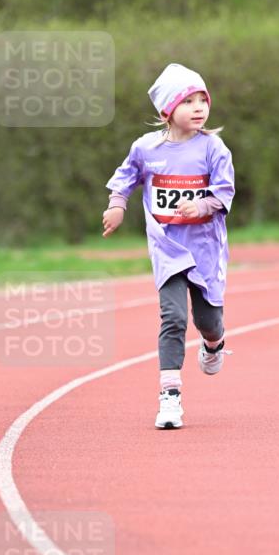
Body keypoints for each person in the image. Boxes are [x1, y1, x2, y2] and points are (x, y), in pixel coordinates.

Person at [102, 63, 235, 429]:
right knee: (173, 319)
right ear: (167, 110)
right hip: (167, 249)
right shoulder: (146, 149)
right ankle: (170, 398)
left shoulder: (213, 148)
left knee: (207, 320)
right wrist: (117, 205)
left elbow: (224, 192)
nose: (198, 108)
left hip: (204, 249)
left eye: (202, 100)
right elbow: (125, 177)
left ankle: (215, 343)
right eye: (188, 101)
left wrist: (202, 205)